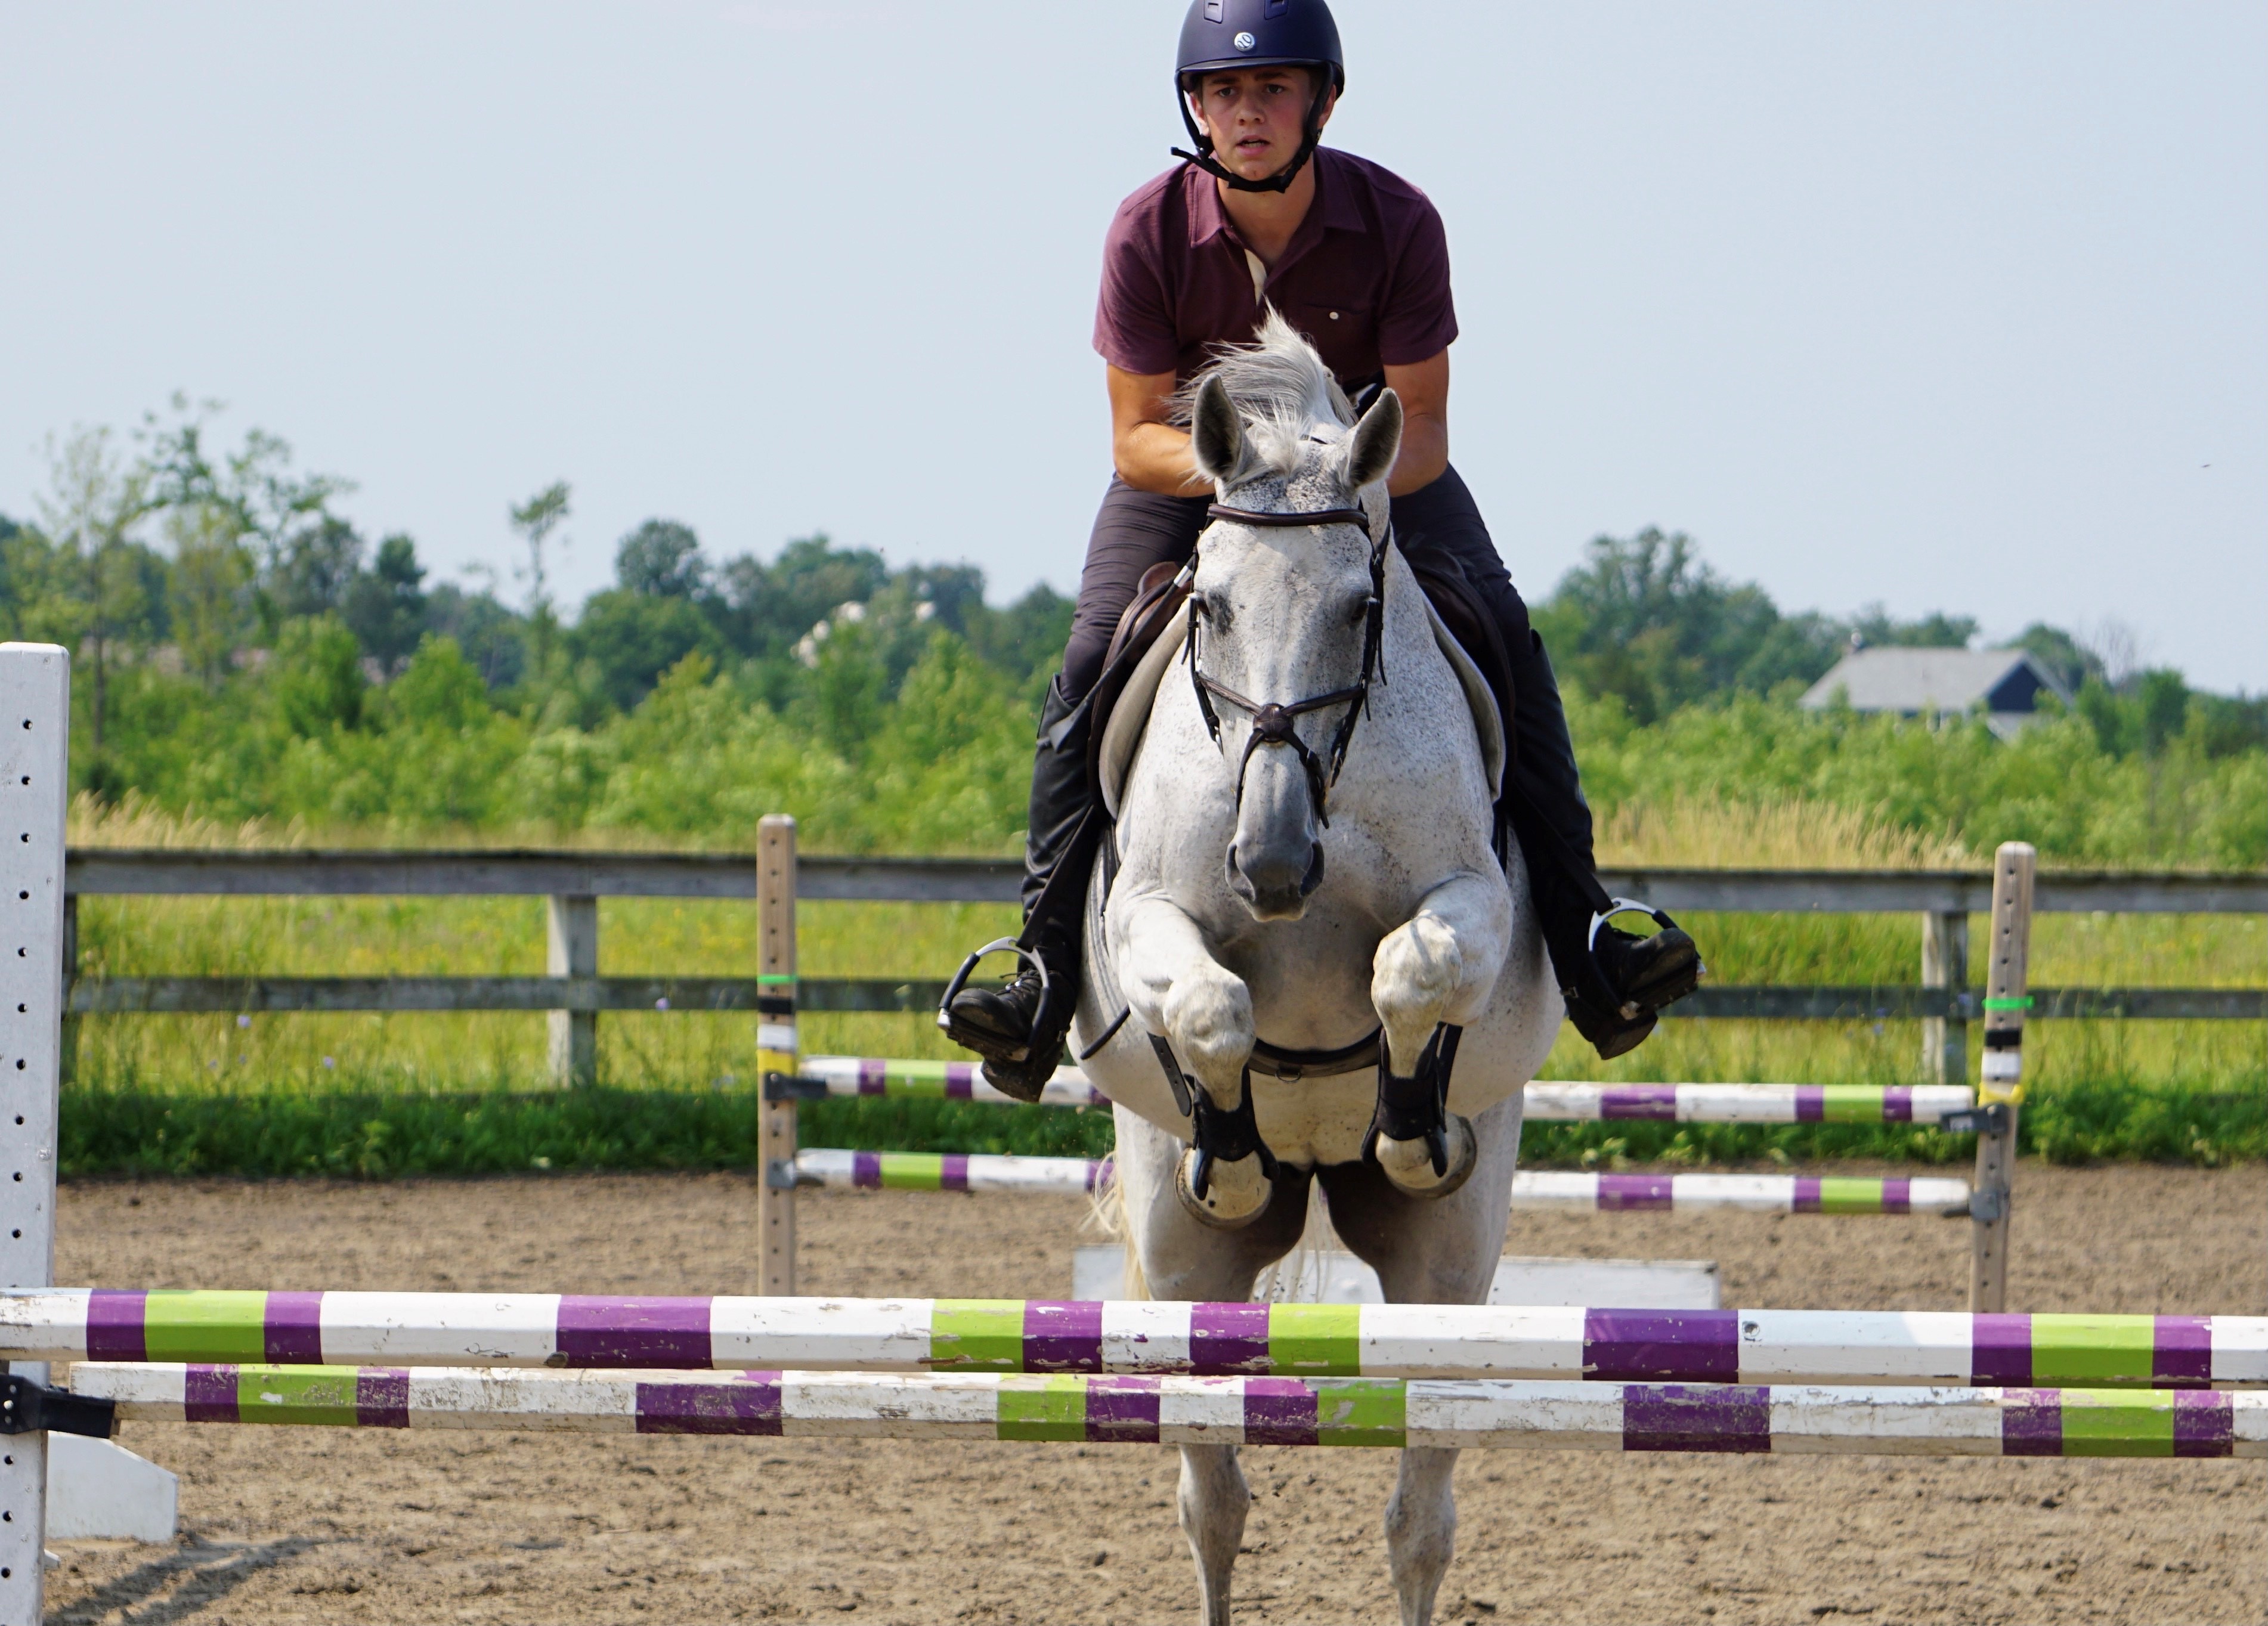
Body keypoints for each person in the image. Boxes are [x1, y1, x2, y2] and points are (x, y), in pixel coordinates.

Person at [944, 0, 1700, 1100]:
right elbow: (1133, 434)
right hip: (1197, 484)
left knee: (1504, 633)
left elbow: (1426, 430)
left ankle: (1592, 937)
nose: (1245, 114)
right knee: (1093, 655)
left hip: (1374, 481)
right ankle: (1042, 968)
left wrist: (1324, 488)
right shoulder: (1146, 229)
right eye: (1223, 94)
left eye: (1271, 91)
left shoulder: (1397, 219)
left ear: (1323, 102)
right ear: (1194, 109)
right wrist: (1256, 488)